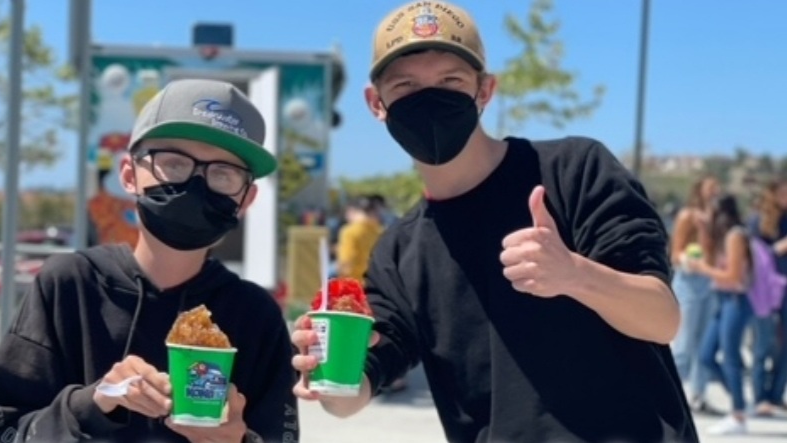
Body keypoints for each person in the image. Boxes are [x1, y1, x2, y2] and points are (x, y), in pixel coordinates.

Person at [291, 2, 697, 442]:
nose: (430, 99)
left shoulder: (574, 170)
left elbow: (662, 318)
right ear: (376, 103)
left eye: (451, 81)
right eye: (406, 86)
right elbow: (355, 390)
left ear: (485, 91)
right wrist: (324, 371)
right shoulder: (398, 251)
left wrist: (574, 274)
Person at [0, 79, 299, 443]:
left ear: (247, 198)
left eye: (223, 173)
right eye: (174, 163)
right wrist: (89, 406)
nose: (196, 184)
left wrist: (239, 440)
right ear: (129, 175)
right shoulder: (68, 286)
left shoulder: (256, 315)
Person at [690, 194, 753, 435]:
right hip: (723, 300)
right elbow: (710, 259)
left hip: (736, 300)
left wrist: (701, 269)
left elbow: (733, 277)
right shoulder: (722, 236)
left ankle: (738, 414)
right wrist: (703, 231)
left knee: (730, 357)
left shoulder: (736, 235)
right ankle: (741, 405)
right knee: (706, 356)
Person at [668, 176, 721, 414]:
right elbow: (675, 253)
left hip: (709, 281)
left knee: (703, 343)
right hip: (689, 280)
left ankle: (699, 396)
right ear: (699, 189)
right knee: (684, 343)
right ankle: (671, 397)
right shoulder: (687, 216)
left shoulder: (715, 218)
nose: (715, 191)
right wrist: (690, 262)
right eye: (710, 186)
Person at [747, 180, 787, 416]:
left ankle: (776, 395)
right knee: (764, 343)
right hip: (766, 291)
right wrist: (778, 248)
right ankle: (760, 397)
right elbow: (755, 256)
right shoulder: (759, 220)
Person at [336, 196, 384, 283]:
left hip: (355, 285)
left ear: (352, 211)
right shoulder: (380, 231)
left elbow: (346, 261)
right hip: (376, 284)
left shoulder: (349, 231)